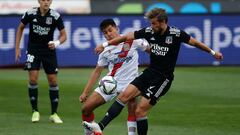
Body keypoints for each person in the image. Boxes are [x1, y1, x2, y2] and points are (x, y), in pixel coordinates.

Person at [83, 8, 223, 135]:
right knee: (123, 97)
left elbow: (196, 43)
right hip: (150, 72)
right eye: (151, 23)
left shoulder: (176, 34)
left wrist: (212, 52)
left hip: (163, 78)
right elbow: (126, 37)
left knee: (140, 111)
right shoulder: (149, 31)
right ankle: (100, 126)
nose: (152, 26)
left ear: (163, 22)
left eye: (154, 23)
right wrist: (104, 44)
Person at [79, 18, 150, 135]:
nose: (108, 34)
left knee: (132, 108)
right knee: (86, 109)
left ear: (116, 28)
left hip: (131, 83)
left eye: (110, 30)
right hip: (111, 84)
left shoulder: (133, 40)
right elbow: (97, 71)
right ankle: (90, 133)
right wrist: (85, 92)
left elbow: (151, 51)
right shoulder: (104, 50)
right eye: (105, 33)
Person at [15, 0, 67, 123]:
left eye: (49, 0)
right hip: (33, 51)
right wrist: (17, 48)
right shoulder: (30, 13)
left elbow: (64, 35)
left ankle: (54, 114)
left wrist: (57, 42)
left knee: (53, 81)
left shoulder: (55, 16)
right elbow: (20, 28)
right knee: (33, 79)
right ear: (39, 1)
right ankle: (35, 111)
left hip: (49, 52)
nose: (46, 2)